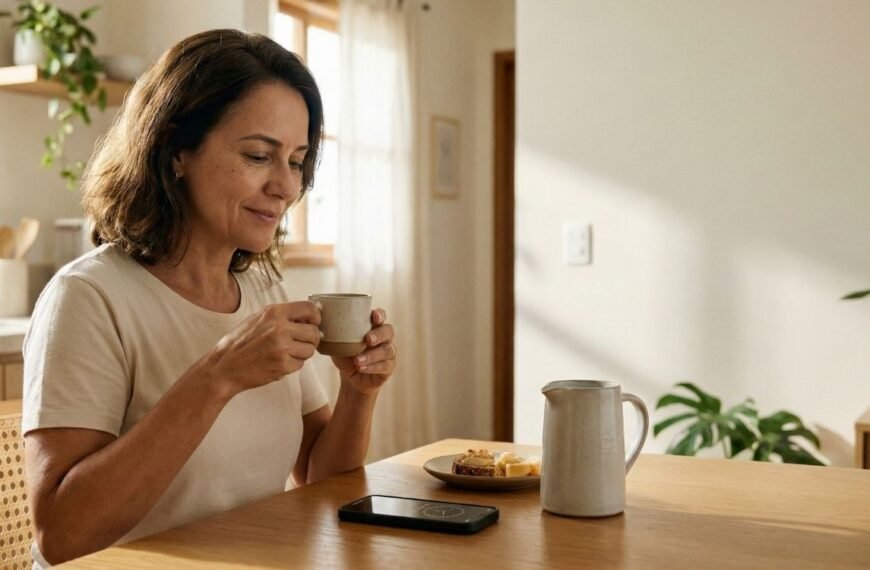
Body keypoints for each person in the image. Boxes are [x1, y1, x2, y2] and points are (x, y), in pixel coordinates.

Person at [22, 29, 397, 567]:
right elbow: (63, 535)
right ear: (177, 150)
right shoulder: (88, 297)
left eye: (295, 161)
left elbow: (318, 477)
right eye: (258, 155)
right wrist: (218, 375)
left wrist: (359, 391)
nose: (287, 187)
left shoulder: (259, 289)